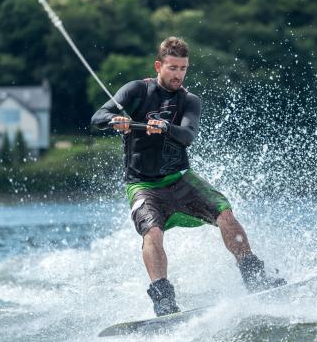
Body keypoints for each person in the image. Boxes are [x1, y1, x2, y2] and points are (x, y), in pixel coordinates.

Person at [91, 36, 285, 317]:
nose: (178, 74)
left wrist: (166, 127)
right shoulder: (136, 91)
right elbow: (98, 116)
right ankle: (163, 299)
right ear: (159, 65)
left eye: (183, 68)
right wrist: (114, 120)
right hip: (143, 185)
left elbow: (188, 135)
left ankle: (254, 276)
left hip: (181, 179)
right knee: (152, 232)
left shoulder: (189, 100)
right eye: (173, 68)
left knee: (225, 213)